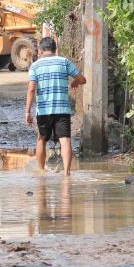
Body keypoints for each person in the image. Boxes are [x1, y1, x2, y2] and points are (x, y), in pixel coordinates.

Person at [25, 37, 87, 176]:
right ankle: (66, 173)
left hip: (43, 110)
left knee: (41, 139)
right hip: (62, 109)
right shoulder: (64, 62)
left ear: (40, 50)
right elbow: (83, 79)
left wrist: (28, 111)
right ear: (55, 50)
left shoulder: (35, 66)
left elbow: (31, 89)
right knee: (65, 139)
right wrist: (76, 82)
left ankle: (41, 173)